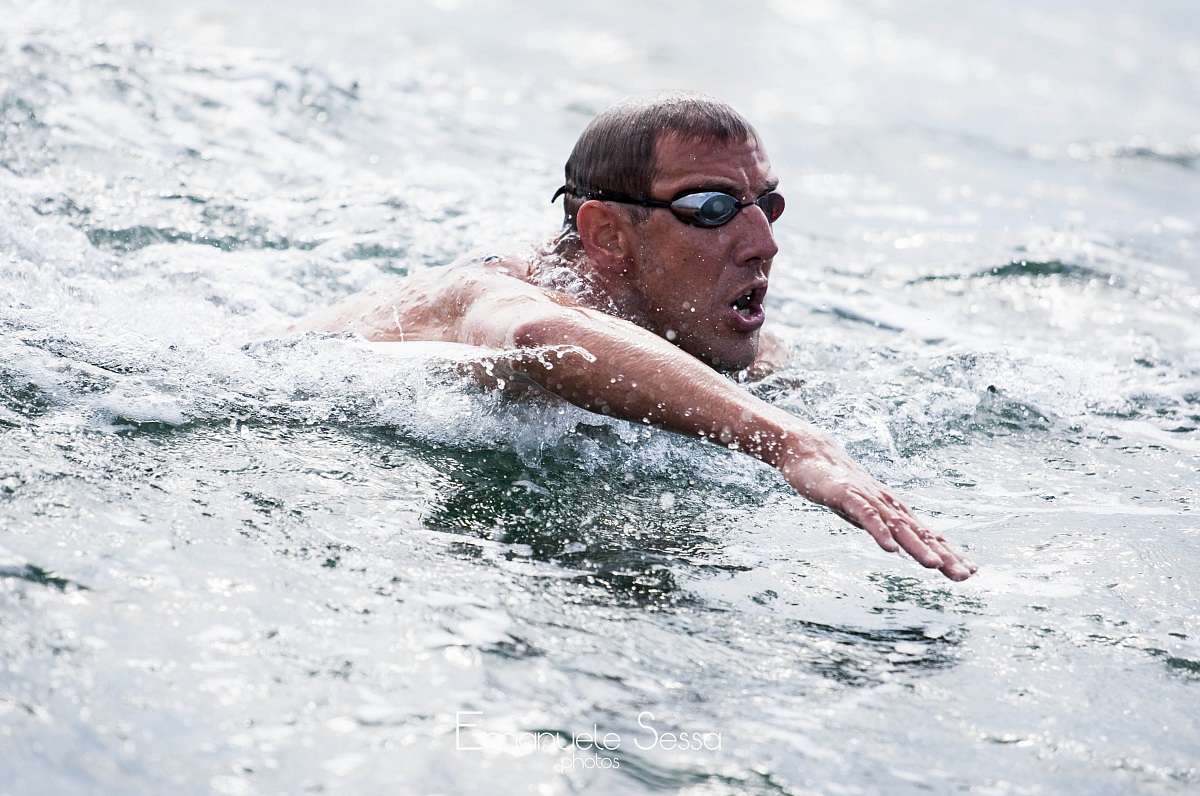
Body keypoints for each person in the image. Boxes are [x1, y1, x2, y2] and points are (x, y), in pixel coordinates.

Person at [291, 91, 978, 581]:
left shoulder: (725, 338)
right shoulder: (493, 289)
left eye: (767, 205)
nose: (763, 243)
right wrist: (790, 443)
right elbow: (537, 335)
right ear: (607, 235)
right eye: (712, 208)